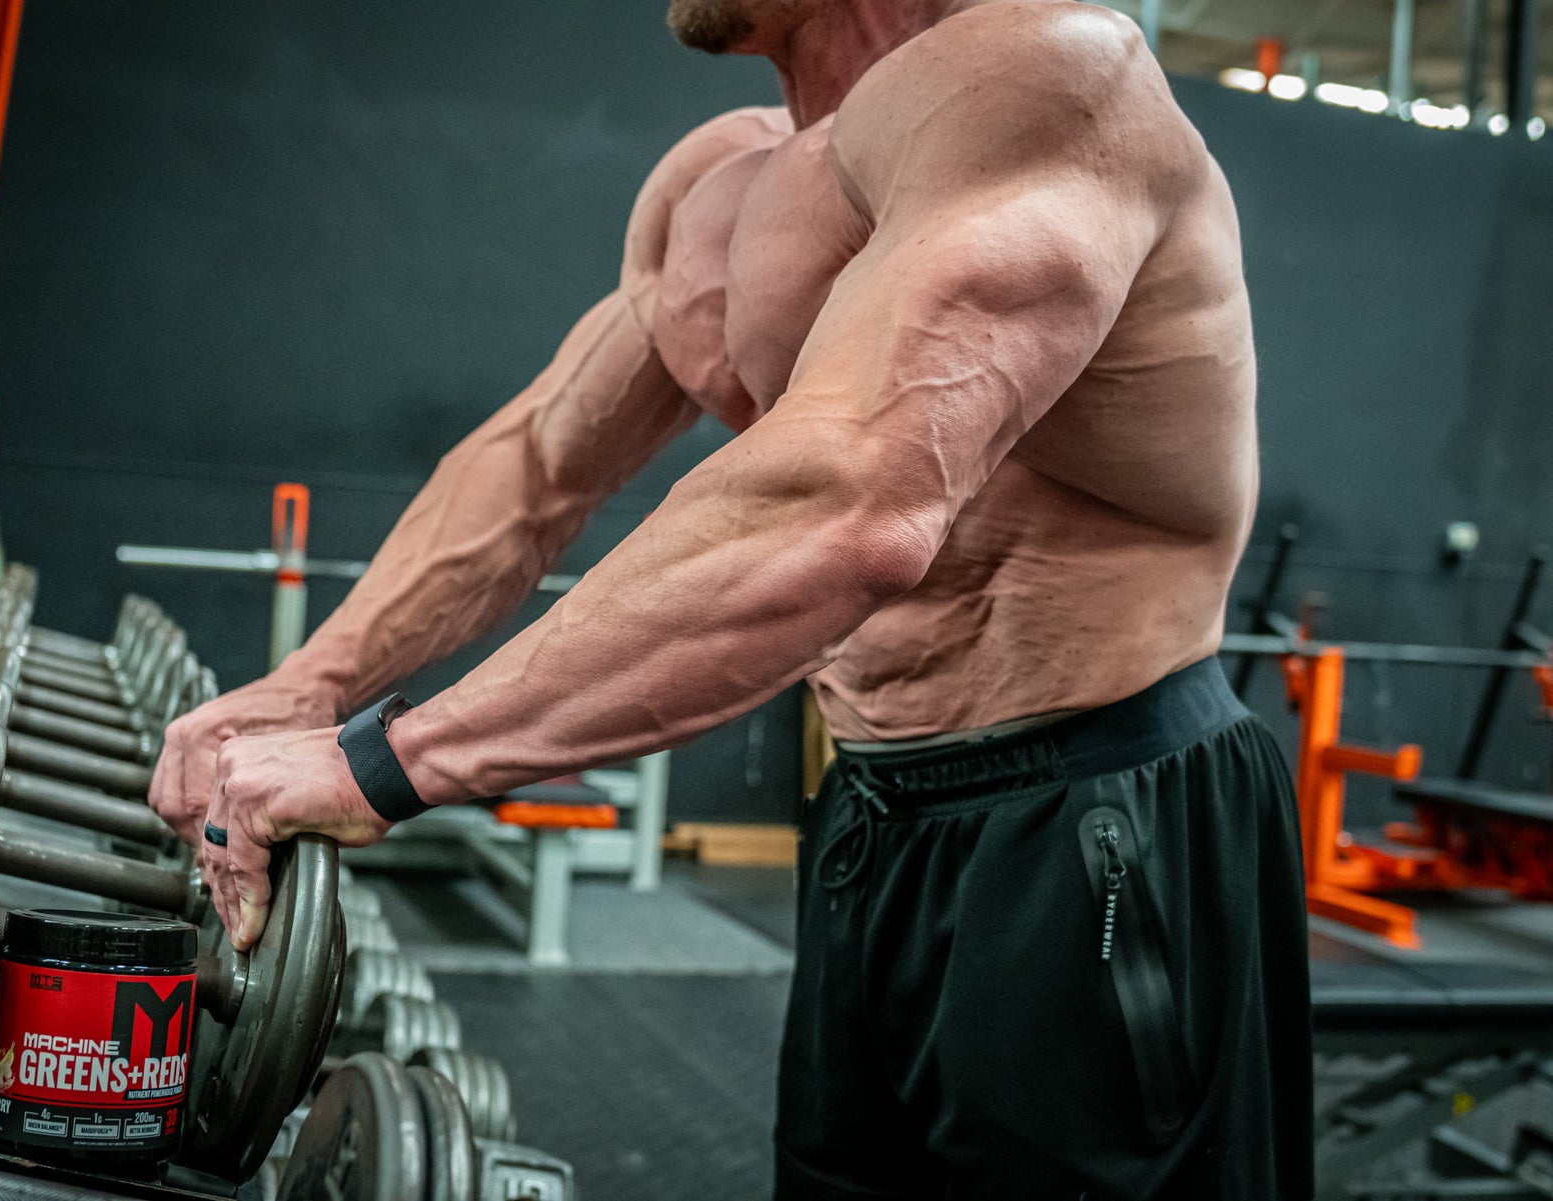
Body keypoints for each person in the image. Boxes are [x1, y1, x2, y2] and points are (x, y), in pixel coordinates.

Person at [150, 1, 1313, 1196]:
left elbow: (851, 504)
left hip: (1095, 817)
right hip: (873, 812)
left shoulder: (1051, 83)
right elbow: (538, 466)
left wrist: (381, 763)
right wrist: (310, 685)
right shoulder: (729, 184)